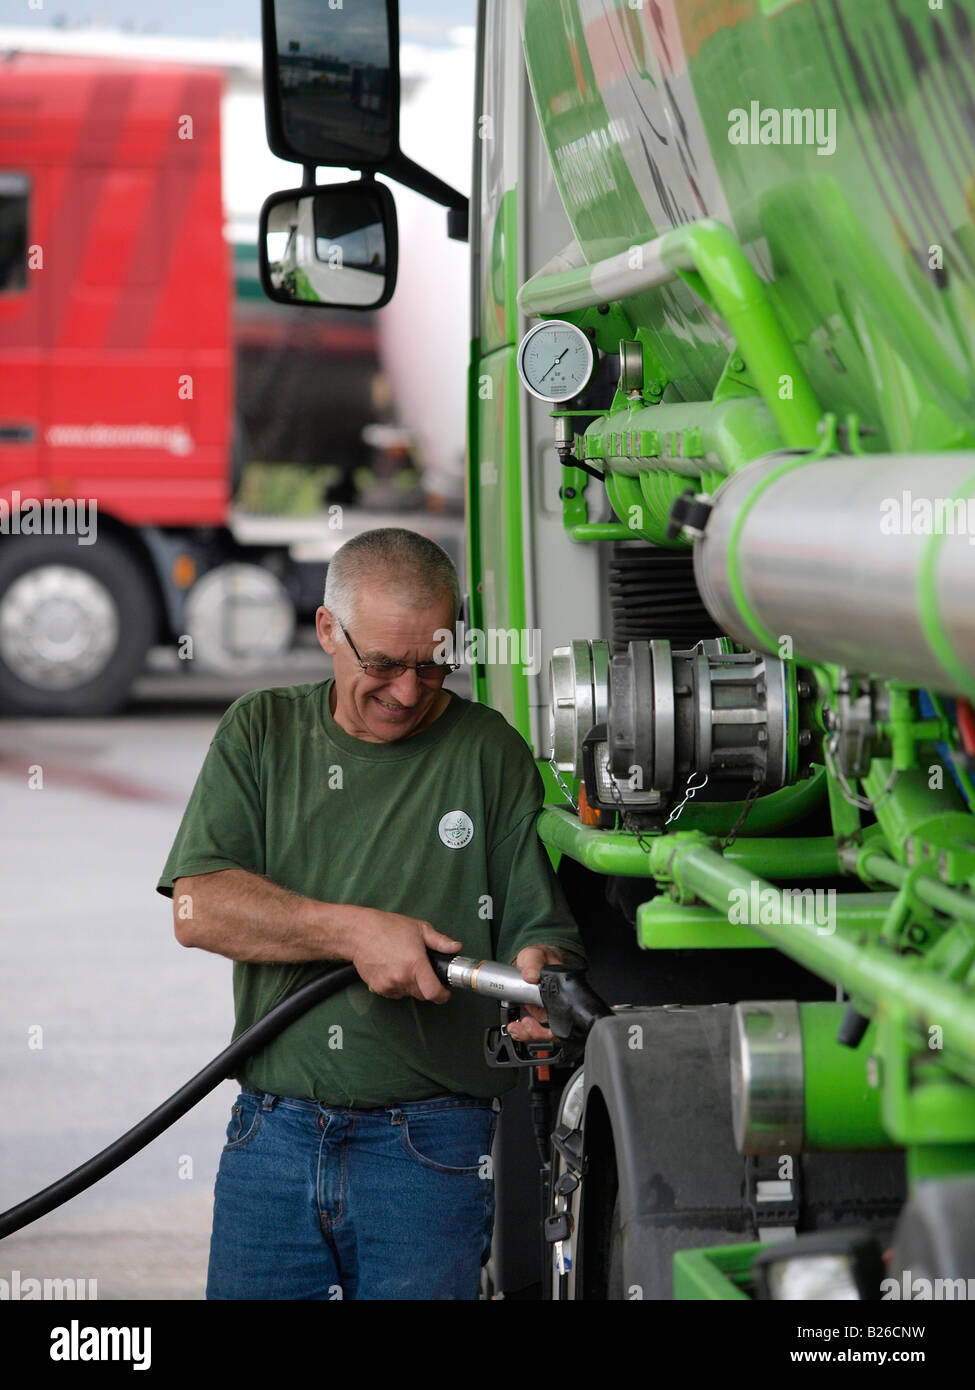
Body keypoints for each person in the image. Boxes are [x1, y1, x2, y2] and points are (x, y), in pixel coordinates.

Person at [157, 527, 587, 1300]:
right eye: (384, 664)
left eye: (433, 663)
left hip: (432, 1148)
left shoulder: (486, 749)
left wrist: (539, 979)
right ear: (326, 630)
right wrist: (356, 932)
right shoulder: (261, 732)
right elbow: (197, 908)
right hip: (272, 1136)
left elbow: (537, 926)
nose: (410, 690)